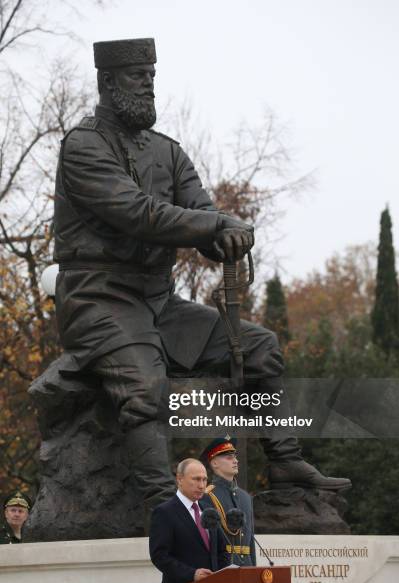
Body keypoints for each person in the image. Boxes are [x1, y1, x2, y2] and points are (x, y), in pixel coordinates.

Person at [53, 37, 350, 526]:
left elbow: (201, 213)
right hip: (97, 299)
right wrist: (213, 227)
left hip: (159, 303)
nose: (149, 84)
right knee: (145, 387)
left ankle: (285, 461)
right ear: (107, 82)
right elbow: (138, 213)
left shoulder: (168, 151)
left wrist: (226, 236)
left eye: (152, 74)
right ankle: (162, 510)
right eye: (137, 76)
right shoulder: (83, 145)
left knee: (261, 348)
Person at [149, 458, 229, 583]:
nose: (201, 485)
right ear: (179, 479)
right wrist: (192, 574)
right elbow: (159, 556)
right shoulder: (165, 512)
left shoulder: (209, 511)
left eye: (205, 479)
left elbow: (222, 550)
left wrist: (220, 575)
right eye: (196, 479)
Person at [201, 437, 259, 583]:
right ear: (215, 463)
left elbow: (250, 540)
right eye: (228, 457)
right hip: (224, 572)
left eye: (234, 456)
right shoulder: (206, 496)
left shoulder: (245, 497)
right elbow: (208, 543)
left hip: (247, 570)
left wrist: (254, 573)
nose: (235, 460)